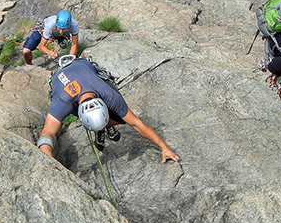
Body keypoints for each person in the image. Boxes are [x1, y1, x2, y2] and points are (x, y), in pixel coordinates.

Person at [36, 56, 179, 163]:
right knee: (118, 117)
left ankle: (103, 126)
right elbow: (47, 134)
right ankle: (100, 128)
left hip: (83, 66)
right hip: (64, 78)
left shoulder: (109, 95)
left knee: (122, 118)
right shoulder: (62, 101)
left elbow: (136, 124)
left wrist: (163, 147)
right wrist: (49, 160)